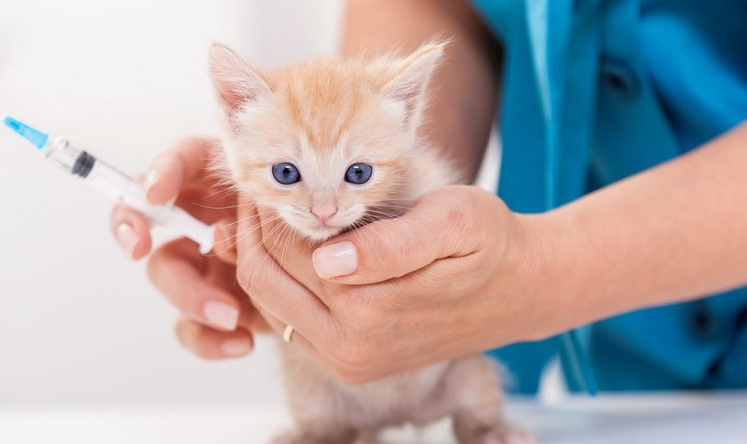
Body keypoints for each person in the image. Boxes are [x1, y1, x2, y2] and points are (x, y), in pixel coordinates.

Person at [109, 0, 747, 393]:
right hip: (624, 391)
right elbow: (437, 11)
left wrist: (542, 274)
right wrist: (388, 239)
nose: (322, 207)